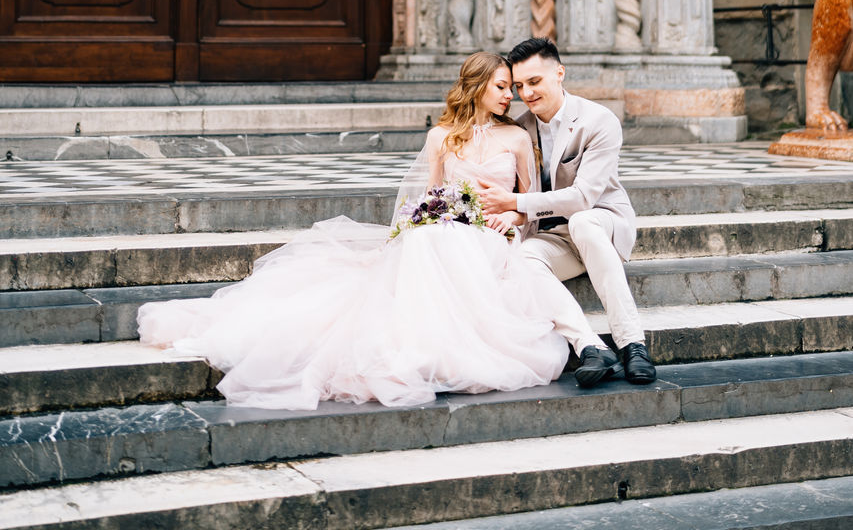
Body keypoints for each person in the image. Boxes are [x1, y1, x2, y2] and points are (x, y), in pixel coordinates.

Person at [138, 51, 602, 410]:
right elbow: (427, 195)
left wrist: (513, 217)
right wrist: (414, 224)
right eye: (503, 87)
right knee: (429, 236)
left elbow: (531, 204)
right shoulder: (441, 137)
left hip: (493, 234)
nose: (511, 96)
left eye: (514, 88)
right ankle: (416, 345)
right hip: (443, 228)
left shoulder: (518, 138)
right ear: (478, 86)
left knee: (445, 241)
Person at [480, 36, 656, 387]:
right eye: (519, 86)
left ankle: (632, 343)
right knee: (525, 258)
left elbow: (583, 198)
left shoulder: (598, 120)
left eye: (535, 82)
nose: (527, 93)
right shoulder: (520, 128)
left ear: (559, 73)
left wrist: (515, 203)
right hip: (553, 235)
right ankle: (590, 347)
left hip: (601, 221)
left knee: (584, 221)